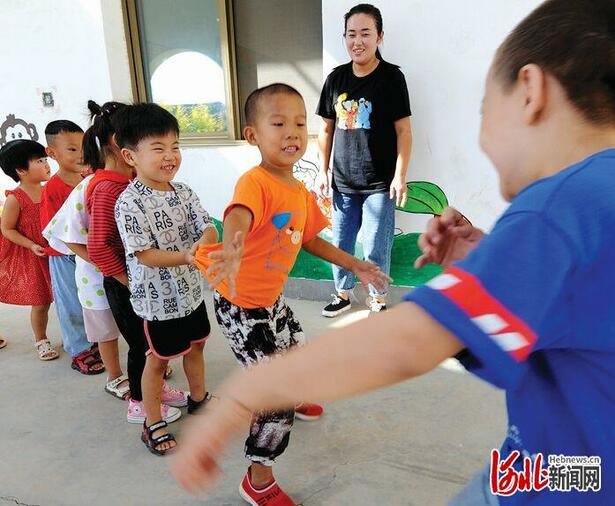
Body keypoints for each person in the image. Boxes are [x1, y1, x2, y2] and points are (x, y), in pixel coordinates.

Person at [172, 1, 615, 504]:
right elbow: (579, 309)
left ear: (531, 93)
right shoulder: (591, 201)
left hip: (561, 480)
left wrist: (240, 397)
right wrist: (489, 261)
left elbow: (406, 342)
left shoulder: (553, 211)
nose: (483, 140)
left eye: (484, 113)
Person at [194, 83, 391, 506]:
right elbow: (239, 217)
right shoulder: (255, 182)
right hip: (242, 308)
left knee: (299, 349)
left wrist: (354, 263)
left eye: (300, 123)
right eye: (279, 123)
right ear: (253, 136)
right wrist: (232, 247)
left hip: (272, 301)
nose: (292, 133)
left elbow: (310, 239)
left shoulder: (298, 189)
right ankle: (258, 480)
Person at [113, 103, 218, 456]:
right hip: (157, 301)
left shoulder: (184, 191)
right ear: (130, 155)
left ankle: (199, 399)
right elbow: (144, 254)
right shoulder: (128, 202)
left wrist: (206, 242)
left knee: (198, 343)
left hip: (190, 292)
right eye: (158, 148)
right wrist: (190, 256)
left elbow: (207, 225)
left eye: (175, 146)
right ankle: (152, 421)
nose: (170, 155)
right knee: (157, 360)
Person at [84, 100, 185, 424]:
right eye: (154, 144)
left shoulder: (127, 183)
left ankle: (152, 390)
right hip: (126, 283)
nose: (166, 155)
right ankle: (139, 403)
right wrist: (131, 283)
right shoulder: (108, 188)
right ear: (123, 145)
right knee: (142, 346)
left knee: (154, 343)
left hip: (141, 281)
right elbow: (98, 247)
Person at [316, 3, 412, 317]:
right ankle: (342, 294)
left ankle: (378, 298)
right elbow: (325, 128)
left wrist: (400, 175)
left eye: (365, 34)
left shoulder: (391, 78)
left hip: (379, 183)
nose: (358, 41)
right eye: (351, 34)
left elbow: (404, 131)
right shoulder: (336, 78)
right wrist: (323, 170)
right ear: (344, 38)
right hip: (342, 181)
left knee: (376, 245)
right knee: (341, 243)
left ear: (379, 37)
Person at [43, 169, 129, 400]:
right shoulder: (90, 186)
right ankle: (115, 377)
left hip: (134, 271)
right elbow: (67, 234)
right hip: (96, 276)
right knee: (105, 330)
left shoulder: (138, 178)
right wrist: (104, 262)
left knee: (141, 324)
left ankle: (149, 366)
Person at [41, 120, 104, 374]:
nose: (81, 155)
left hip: (89, 253)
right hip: (64, 256)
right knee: (71, 304)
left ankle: (95, 341)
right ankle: (79, 349)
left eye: (83, 148)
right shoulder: (53, 189)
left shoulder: (89, 179)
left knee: (91, 301)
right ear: (52, 153)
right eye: (72, 149)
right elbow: (52, 230)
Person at [0, 140, 56, 360]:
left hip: (55, 253)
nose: (46, 164)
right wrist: (31, 245)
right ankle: (41, 339)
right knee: (41, 302)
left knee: (65, 296)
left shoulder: (50, 190)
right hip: (33, 257)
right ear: (21, 170)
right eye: (39, 161)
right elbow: (7, 229)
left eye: (45, 159)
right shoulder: (16, 198)